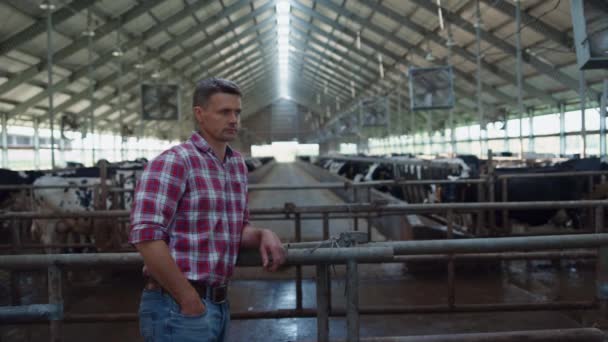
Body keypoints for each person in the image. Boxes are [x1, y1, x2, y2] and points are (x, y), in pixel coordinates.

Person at [129, 78, 286, 341]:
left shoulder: (236, 165)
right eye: (224, 112)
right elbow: (146, 237)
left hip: (218, 303)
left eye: (237, 112)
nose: (234, 119)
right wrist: (188, 299)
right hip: (176, 306)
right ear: (200, 115)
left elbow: (234, 229)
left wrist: (260, 234)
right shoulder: (174, 162)